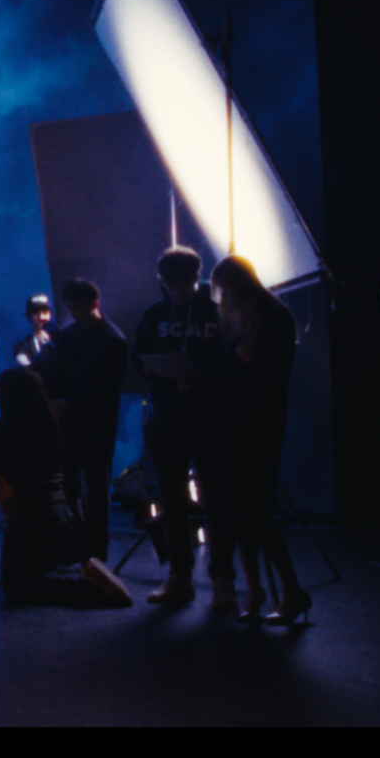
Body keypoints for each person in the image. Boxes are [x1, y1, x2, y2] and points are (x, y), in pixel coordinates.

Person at [0, 369, 132, 608]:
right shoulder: (47, 423)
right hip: (59, 515)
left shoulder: (5, 431)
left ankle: (88, 587)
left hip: (29, 521)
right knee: (44, 569)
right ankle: (86, 572)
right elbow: (10, 443)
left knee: (18, 585)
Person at [132, 246, 234, 607]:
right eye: (169, 286)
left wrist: (202, 376)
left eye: (182, 286)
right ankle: (179, 576)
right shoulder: (153, 313)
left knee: (216, 499)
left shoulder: (217, 309)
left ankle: (222, 580)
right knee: (172, 500)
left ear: (197, 277)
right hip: (167, 415)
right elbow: (137, 356)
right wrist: (148, 368)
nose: (176, 293)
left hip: (208, 415)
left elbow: (233, 357)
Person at [210, 256, 309, 625]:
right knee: (242, 509)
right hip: (238, 420)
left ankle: (285, 592)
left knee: (255, 510)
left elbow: (268, 373)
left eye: (228, 290)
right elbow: (233, 365)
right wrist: (242, 360)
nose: (225, 298)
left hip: (258, 422)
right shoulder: (252, 316)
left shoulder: (273, 318)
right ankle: (263, 591)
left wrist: (240, 362)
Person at [33, 278, 129, 563]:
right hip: (70, 425)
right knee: (68, 487)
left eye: (78, 308)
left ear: (94, 305)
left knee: (95, 492)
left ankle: (95, 551)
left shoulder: (113, 340)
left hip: (97, 428)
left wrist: (67, 403)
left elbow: (107, 389)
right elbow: (58, 375)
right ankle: (75, 544)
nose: (74, 313)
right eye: (71, 308)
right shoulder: (70, 336)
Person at [11, 294, 53, 367]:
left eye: (45, 312)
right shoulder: (22, 345)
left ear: (50, 314)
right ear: (29, 317)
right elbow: (23, 363)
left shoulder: (61, 339)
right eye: (36, 313)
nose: (41, 317)